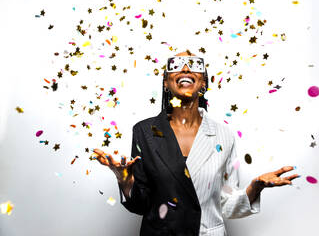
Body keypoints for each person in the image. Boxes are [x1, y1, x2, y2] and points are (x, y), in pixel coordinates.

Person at [93, 51, 299, 236]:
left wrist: (255, 187)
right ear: (166, 82)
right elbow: (141, 205)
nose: (185, 68)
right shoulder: (144, 132)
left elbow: (226, 205)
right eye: (176, 64)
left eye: (194, 64)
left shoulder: (223, 135)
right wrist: (124, 178)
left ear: (203, 82)